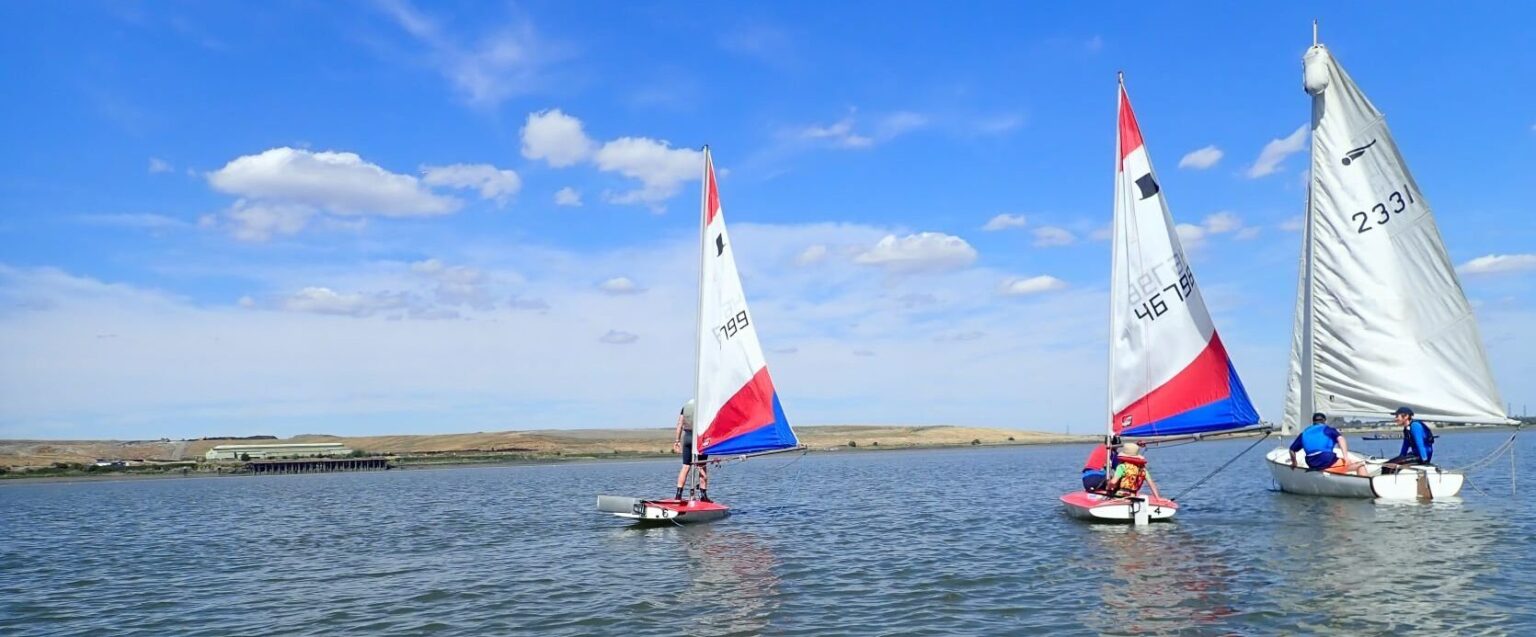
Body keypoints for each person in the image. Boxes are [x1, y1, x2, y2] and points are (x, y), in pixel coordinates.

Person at [1288, 412, 1365, 475]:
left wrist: (1294, 462)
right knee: (1360, 465)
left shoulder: (1304, 433)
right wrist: (1346, 457)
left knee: (1334, 462)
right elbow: (1341, 439)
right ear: (1325, 421)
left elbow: (1291, 450)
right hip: (1327, 462)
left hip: (1312, 464)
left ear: (1313, 422)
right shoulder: (1328, 430)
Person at [673, 399, 709, 501]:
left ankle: (678, 495)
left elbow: (679, 424)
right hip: (699, 438)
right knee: (702, 466)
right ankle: (703, 496)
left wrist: (677, 441)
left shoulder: (685, 407)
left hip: (687, 437)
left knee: (685, 466)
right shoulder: (704, 406)